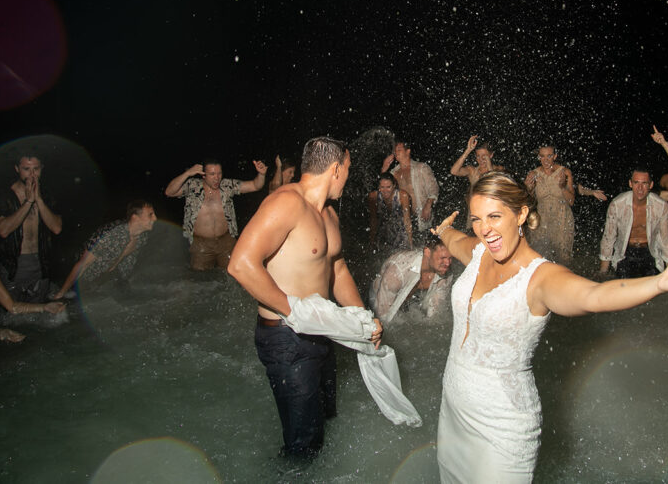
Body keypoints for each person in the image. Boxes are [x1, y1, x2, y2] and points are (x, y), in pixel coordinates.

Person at [431, 171, 668, 482]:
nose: (485, 229)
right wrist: (444, 228)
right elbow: (455, 239)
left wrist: (659, 282)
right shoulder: (478, 252)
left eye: (495, 216)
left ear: (521, 214)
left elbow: (594, 295)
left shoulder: (540, 278)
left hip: (501, 425)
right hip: (453, 412)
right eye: (477, 219)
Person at [227, 136, 381, 458]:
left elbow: (337, 270)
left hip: (321, 332)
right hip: (287, 338)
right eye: (348, 169)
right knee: (303, 448)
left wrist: (362, 319)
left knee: (325, 422)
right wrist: (294, 311)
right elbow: (240, 265)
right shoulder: (286, 203)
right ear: (336, 168)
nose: (348, 177)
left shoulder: (329, 216)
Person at [165, 159, 268, 271]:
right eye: (212, 174)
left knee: (233, 274)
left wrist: (261, 174)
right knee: (201, 279)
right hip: (201, 245)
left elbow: (255, 185)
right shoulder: (193, 187)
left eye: (219, 173)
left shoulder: (227, 186)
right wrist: (187, 173)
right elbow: (169, 192)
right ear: (203, 175)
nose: (217, 177)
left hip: (226, 242)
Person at [0, 151, 63, 302]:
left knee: (40, 312)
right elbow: (3, 231)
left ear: (42, 168)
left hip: (41, 262)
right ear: (17, 168)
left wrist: (39, 200)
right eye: (26, 169)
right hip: (14, 264)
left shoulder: (47, 194)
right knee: (13, 313)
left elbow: (56, 228)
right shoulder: (4, 195)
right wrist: (29, 202)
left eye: (36, 169)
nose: (32, 175)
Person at [52, 201, 158, 299]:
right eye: (150, 214)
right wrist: (62, 293)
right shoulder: (110, 234)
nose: (155, 219)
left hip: (106, 279)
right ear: (135, 218)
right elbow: (82, 264)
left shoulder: (142, 238)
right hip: (81, 279)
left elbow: (125, 266)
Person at [599, 168, 668, 277]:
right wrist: (603, 271)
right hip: (625, 252)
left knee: (652, 285)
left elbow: (667, 241)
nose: (640, 188)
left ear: (651, 185)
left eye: (644, 183)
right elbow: (608, 238)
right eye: (636, 183)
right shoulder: (617, 205)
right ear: (630, 183)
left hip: (649, 252)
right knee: (623, 284)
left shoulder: (661, 206)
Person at [368, 236, 453, 325]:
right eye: (443, 258)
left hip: (411, 300)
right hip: (379, 297)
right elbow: (382, 315)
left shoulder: (446, 273)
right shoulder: (399, 270)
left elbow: (434, 317)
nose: (447, 263)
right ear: (427, 252)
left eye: (450, 258)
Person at [524, 146, 576, 264]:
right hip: (542, 221)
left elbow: (572, 201)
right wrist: (528, 188)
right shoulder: (534, 174)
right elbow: (527, 202)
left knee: (563, 259)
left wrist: (562, 187)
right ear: (539, 157)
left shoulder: (565, 172)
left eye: (549, 156)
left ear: (555, 156)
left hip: (562, 220)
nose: (546, 160)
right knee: (540, 259)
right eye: (542, 156)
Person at [381, 139, 439, 232]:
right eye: (394, 151)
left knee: (427, 245)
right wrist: (384, 167)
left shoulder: (421, 168)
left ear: (408, 151)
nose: (395, 152)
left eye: (399, 150)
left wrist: (428, 205)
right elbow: (383, 190)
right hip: (403, 220)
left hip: (422, 215)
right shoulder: (393, 173)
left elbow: (434, 188)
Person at [449, 135, 504, 228]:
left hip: (493, 212)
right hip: (475, 214)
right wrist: (468, 150)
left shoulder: (499, 170)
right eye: (478, 156)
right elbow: (454, 171)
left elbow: (494, 183)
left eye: (484, 156)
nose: (481, 160)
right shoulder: (473, 171)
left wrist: (489, 166)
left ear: (491, 155)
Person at [368, 173, 413, 251]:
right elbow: (373, 220)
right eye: (382, 187)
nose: (385, 191)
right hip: (383, 231)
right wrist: (372, 241)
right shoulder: (373, 196)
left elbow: (407, 220)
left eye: (388, 187)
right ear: (378, 187)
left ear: (394, 185)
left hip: (400, 230)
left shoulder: (403, 196)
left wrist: (411, 243)